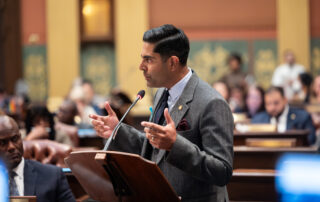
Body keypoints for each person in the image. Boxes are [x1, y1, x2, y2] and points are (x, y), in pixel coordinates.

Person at [90, 24, 234, 202]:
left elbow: (222, 171)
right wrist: (117, 131)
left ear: (172, 62)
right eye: (142, 59)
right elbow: (154, 148)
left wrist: (175, 145)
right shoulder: (162, 93)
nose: (141, 66)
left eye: (149, 60)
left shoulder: (212, 102)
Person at [0, 115, 75, 201]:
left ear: (21, 138)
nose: (11, 147)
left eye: (15, 139)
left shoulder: (53, 176)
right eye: (2, 143)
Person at [251, 86, 316, 145]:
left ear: (285, 100)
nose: (272, 107)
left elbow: (311, 140)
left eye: (276, 103)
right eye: (268, 104)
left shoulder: (302, 117)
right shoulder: (258, 120)